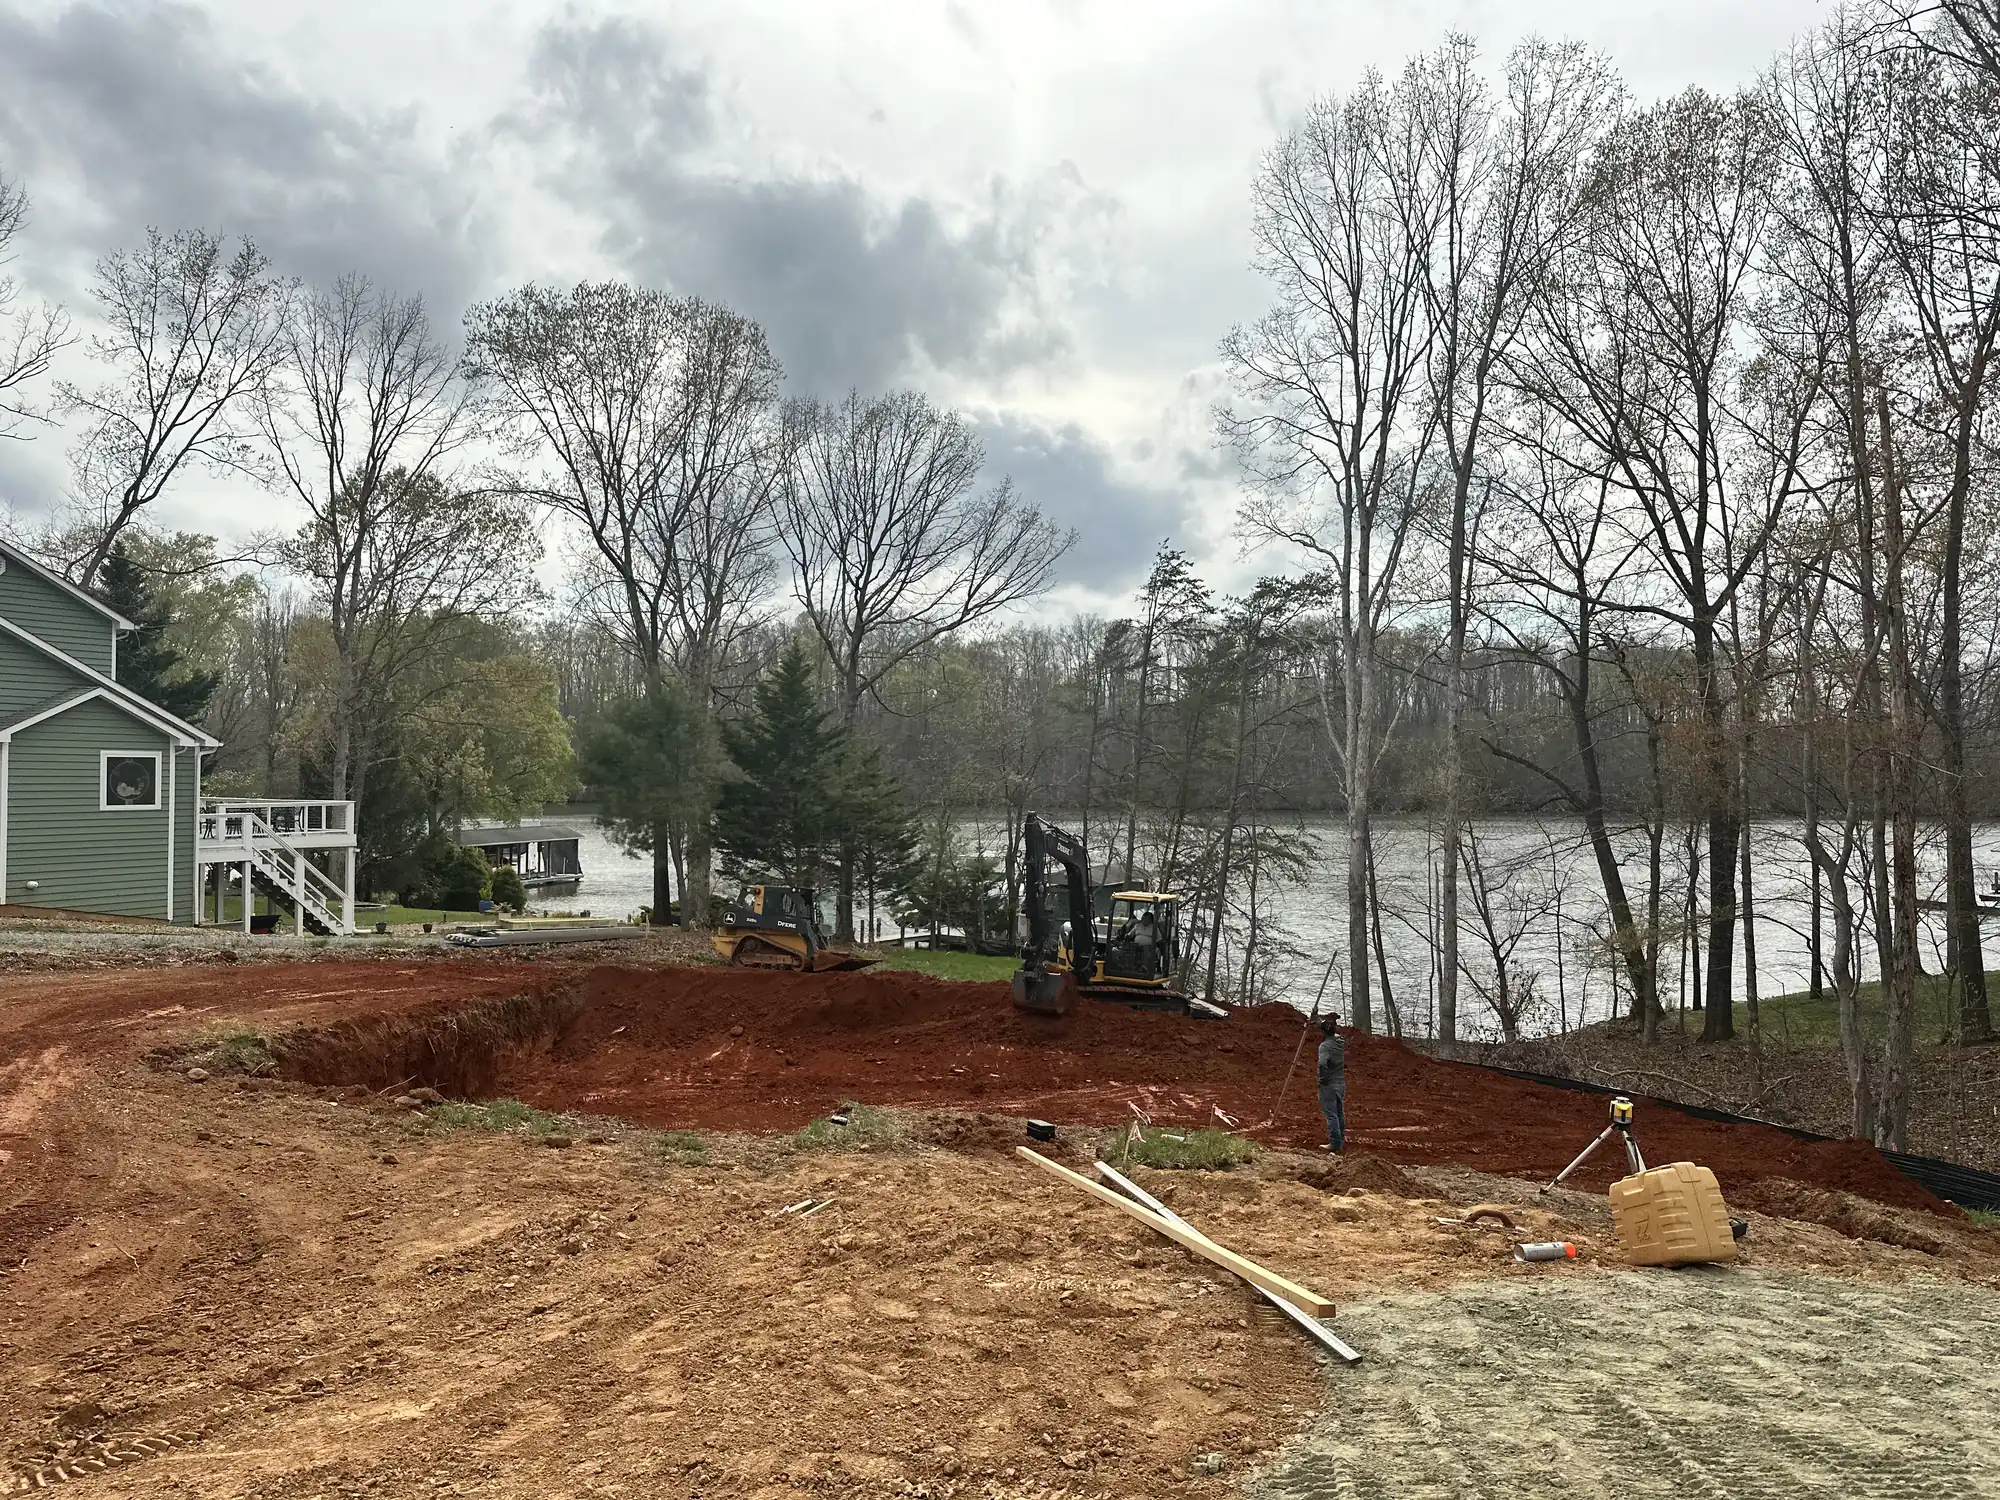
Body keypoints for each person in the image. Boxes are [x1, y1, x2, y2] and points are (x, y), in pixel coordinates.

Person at [1315, 1011, 1346, 1153]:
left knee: (1331, 1114)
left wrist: (1322, 1078)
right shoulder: (1340, 1041)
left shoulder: (1325, 1047)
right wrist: (1316, 1017)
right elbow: (1326, 1026)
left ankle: (1334, 1143)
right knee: (1339, 1113)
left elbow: (1322, 1063)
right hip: (1340, 1083)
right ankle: (1340, 1140)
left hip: (1329, 1084)